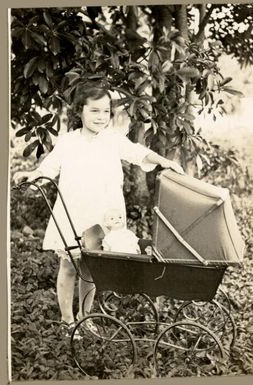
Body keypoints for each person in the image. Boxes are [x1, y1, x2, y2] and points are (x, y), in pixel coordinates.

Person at [13, 86, 184, 336]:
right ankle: (67, 320)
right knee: (70, 265)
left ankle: (85, 316)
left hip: (103, 213)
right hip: (74, 210)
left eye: (106, 111)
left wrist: (163, 160)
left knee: (91, 268)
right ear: (79, 111)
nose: (101, 117)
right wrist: (32, 175)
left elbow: (138, 153)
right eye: (94, 110)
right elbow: (48, 168)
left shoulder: (113, 139)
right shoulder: (69, 141)